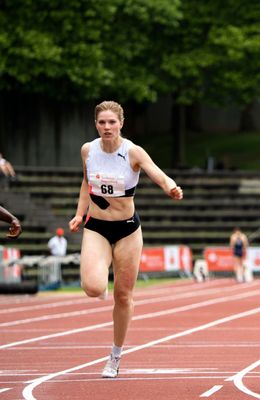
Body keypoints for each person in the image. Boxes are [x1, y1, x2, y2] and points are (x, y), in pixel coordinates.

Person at [69, 100, 183, 378]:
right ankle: (100, 282)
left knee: (123, 295)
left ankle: (115, 356)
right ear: (96, 124)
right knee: (94, 288)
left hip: (128, 231)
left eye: (112, 122)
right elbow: (86, 183)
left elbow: (155, 171)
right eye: (101, 122)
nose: (107, 127)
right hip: (96, 226)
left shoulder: (132, 151)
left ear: (121, 123)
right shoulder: (88, 150)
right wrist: (78, 213)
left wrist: (170, 187)